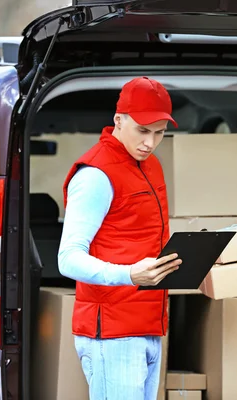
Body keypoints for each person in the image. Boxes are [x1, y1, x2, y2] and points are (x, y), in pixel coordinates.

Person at [58, 76, 182, 400]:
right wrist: (127, 274)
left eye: (159, 133)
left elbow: (140, 240)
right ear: (118, 120)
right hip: (112, 334)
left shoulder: (150, 165)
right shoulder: (96, 174)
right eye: (142, 130)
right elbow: (67, 257)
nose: (150, 142)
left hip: (149, 326)